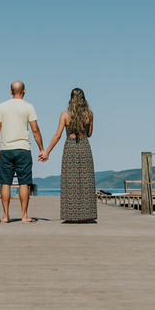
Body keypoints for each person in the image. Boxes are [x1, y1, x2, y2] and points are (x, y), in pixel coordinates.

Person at [40, 88, 96, 223]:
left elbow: (58, 135)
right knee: (85, 181)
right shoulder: (89, 114)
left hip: (70, 146)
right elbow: (89, 134)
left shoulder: (65, 115)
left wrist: (47, 151)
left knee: (69, 181)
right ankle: (84, 216)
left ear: (71, 99)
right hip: (84, 146)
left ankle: (70, 217)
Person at [0, 80, 45, 223]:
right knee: (24, 182)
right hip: (23, 149)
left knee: (5, 183)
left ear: (10, 91)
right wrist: (41, 148)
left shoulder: (2, 106)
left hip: (6, 149)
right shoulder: (28, 107)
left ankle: (5, 216)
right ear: (24, 91)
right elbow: (35, 130)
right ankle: (24, 216)